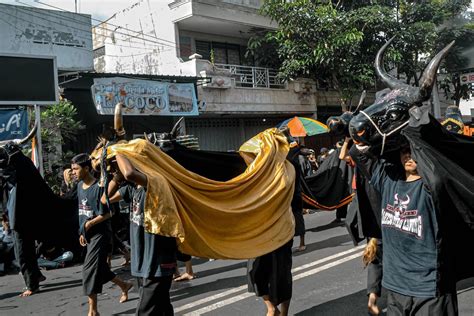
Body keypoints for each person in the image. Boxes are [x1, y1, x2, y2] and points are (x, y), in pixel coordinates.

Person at [351, 144, 459, 315]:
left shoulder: (432, 188)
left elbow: (438, 174)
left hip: (429, 291)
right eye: (403, 151)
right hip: (396, 289)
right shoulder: (389, 183)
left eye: (413, 150)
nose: (408, 155)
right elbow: (360, 155)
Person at [104, 153, 178, 315]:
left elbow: (130, 173)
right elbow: (105, 199)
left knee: (145, 311)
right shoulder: (132, 189)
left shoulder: (155, 181)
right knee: (162, 307)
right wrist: (116, 178)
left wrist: (119, 151)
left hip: (158, 260)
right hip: (142, 261)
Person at [71, 153, 133, 316]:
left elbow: (109, 213)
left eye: (76, 169)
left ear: (86, 168)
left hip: (101, 235)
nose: (73, 172)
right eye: (72, 169)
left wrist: (90, 224)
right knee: (100, 269)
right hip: (88, 234)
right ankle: (124, 285)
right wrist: (83, 231)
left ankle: (93, 311)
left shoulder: (98, 188)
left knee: (88, 271)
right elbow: (82, 213)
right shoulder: (79, 187)